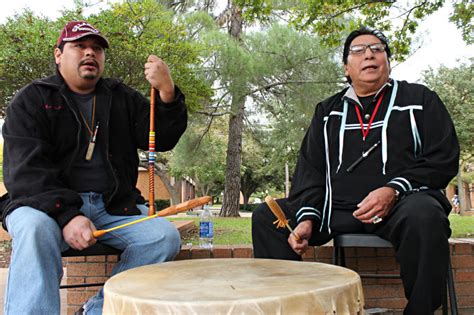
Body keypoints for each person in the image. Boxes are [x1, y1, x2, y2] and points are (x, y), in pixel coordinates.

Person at [252, 27, 459, 314]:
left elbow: (443, 158)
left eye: (377, 49)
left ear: (388, 61)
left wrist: (393, 189)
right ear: (346, 68)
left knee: (425, 215)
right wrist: (307, 217)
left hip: (400, 206)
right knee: (267, 218)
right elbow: (311, 170)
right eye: (358, 51)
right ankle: (289, 307)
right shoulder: (327, 112)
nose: (369, 55)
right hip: (336, 209)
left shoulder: (420, 100)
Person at [1, 21, 187, 314]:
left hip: (111, 206)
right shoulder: (32, 99)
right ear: (58, 54)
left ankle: (95, 310)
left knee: (163, 237)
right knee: (35, 230)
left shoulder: (121, 97)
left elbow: (159, 138)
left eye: (97, 48)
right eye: (80, 46)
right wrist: (67, 214)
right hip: (43, 206)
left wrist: (167, 93)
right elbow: (25, 171)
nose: (90, 53)